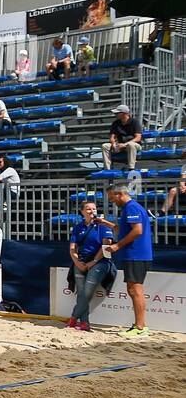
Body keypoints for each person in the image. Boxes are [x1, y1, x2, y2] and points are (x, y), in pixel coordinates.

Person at [100, 184, 153, 335]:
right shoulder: (132, 208)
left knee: (135, 290)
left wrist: (118, 245)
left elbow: (137, 231)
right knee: (135, 290)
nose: (112, 201)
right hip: (137, 254)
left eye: (112, 198)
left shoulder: (131, 208)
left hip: (136, 254)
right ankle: (140, 326)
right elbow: (123, 230)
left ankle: (140, 328)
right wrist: (105, 223)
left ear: (120, 194)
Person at [67, 200, 115, 332]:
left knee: (87, 292)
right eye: (88, 209)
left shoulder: (103, 225)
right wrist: (78, 263)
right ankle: (84, 323)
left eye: (94, 209)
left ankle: (73, 318)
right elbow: (72, 248)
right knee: (81, 292)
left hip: (100, 261)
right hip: (81, 261)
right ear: (82, 212)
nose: (92, 211)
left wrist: (93, 262)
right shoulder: (78, 227)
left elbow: (106, 246)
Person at [102, 105, 142, 170]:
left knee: (130, 144)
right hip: (120, 145)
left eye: (117, 113)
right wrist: (114, 144)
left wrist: (124, 144)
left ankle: (131, 168)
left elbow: (138, 138)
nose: (115, 114)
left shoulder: (135, 122)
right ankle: (107, 169)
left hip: (134, 145)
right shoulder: (115, 123)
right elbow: (112, 137)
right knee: (105, 146)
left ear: (124, 114)